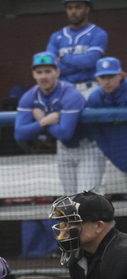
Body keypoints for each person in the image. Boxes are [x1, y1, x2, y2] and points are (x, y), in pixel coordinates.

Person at [14, 52, 104, 196]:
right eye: (39, 72)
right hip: (64, 150)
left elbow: (65, 133)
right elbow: (19, 134)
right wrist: (44, 121)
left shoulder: (70, 94)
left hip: (88, 148)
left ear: (57, 72)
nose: (44, 76)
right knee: (71, 201)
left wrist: (43, 120)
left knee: (87, 200)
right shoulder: (29, 96)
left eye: (48, 71)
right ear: (33, 74)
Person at [46, 0, 108, 99]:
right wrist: (81, 66)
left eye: (78, 7)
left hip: (90, 88)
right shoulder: (56, 36)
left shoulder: (98, 33)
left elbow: (89, 61)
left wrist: (63, 57)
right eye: (70, 8)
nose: (73, 11)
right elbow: (50, 68)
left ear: (87, 9)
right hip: (63, 88)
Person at [86, 57, 127, 173]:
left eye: (111, 76)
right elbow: (95, 130)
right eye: (103, 77)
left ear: (120, 75)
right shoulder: (95, 97)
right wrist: (108, 151)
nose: (107, 81)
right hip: (118, 151)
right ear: (97, 78)